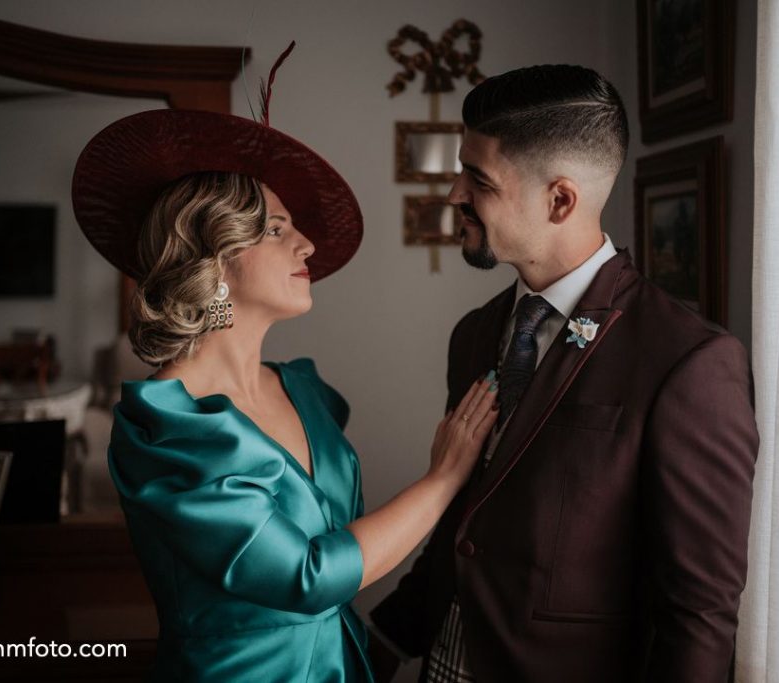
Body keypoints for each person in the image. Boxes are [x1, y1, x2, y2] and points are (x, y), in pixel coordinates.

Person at [71, 48, 499, 683]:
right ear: (213, 259)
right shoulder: (165, 430)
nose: (308, 244)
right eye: (276, 229)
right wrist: (442, 480)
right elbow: (307, 575)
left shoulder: (306, 390)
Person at [370, 64, 759, 682]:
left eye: (478, 178)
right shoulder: (474, 334)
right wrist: (378, 647)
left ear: (560, 200)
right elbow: (465, 529)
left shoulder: (688, 364)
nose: (453, 196)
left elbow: (699, 613)